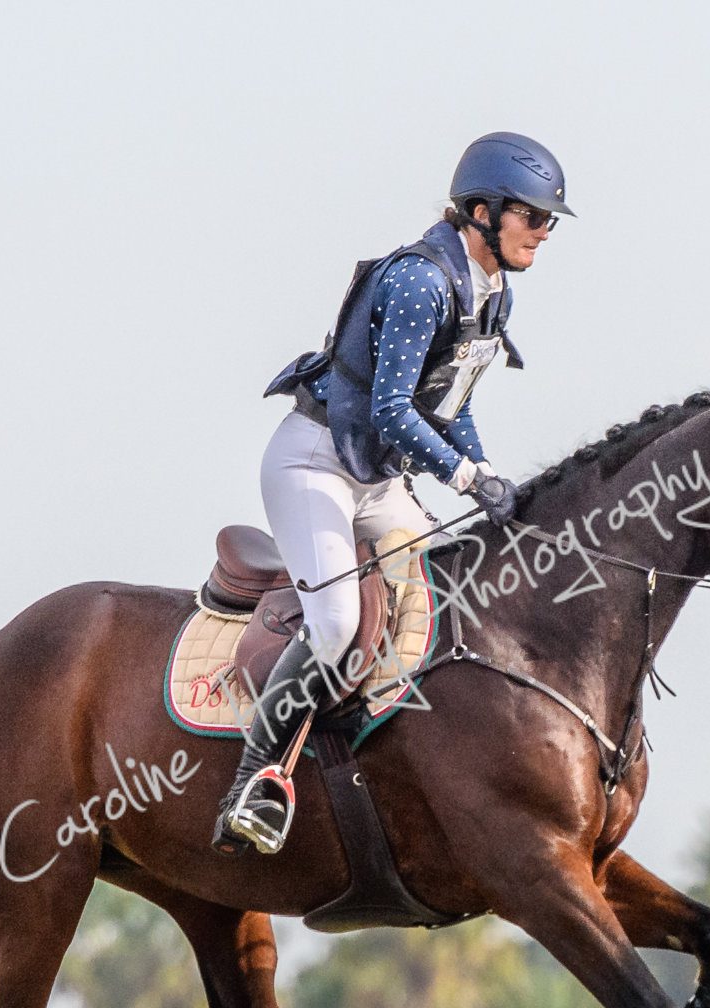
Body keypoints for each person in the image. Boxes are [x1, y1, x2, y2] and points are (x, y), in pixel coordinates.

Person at [211, 131, 574, 856]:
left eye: (548, 221)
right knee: (337, 622)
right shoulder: (420, 282)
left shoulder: (492, 293)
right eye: (533, 217)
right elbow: (392, 411)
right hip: (315, 464)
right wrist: (465, 478)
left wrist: (485, 465)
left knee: (447, 589)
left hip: (375, 479)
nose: (543, 232)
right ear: (482, 212)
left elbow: (450, 404)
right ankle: (252, 783)